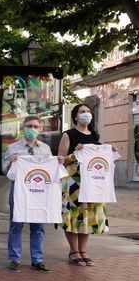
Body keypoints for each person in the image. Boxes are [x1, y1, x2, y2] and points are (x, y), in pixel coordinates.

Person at [3, 116, 59, 273]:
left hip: (40, 193)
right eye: (28, 126)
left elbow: (50, 171)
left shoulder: (46, 149)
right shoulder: (13, 148)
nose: (32, 129)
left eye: (35, 126)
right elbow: (5, 170)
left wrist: (58, 163)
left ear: (41, 129)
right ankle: (15, 259)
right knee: (16, 225)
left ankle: (37, 259)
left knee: (39, 226)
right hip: (19, 191)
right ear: (22, 128)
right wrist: (10, 163)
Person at [58, 104, 109, 267]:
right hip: (73, 183)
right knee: (73, 216)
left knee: (87, 215)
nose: (86, 114)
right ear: (75, 117)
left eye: (88, 112)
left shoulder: (95, 135)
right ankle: (74, 251)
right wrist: (75, 154)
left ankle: (83, 250)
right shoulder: (68, 135)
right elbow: (60, 160)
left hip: (92, 183)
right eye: (82, 112)